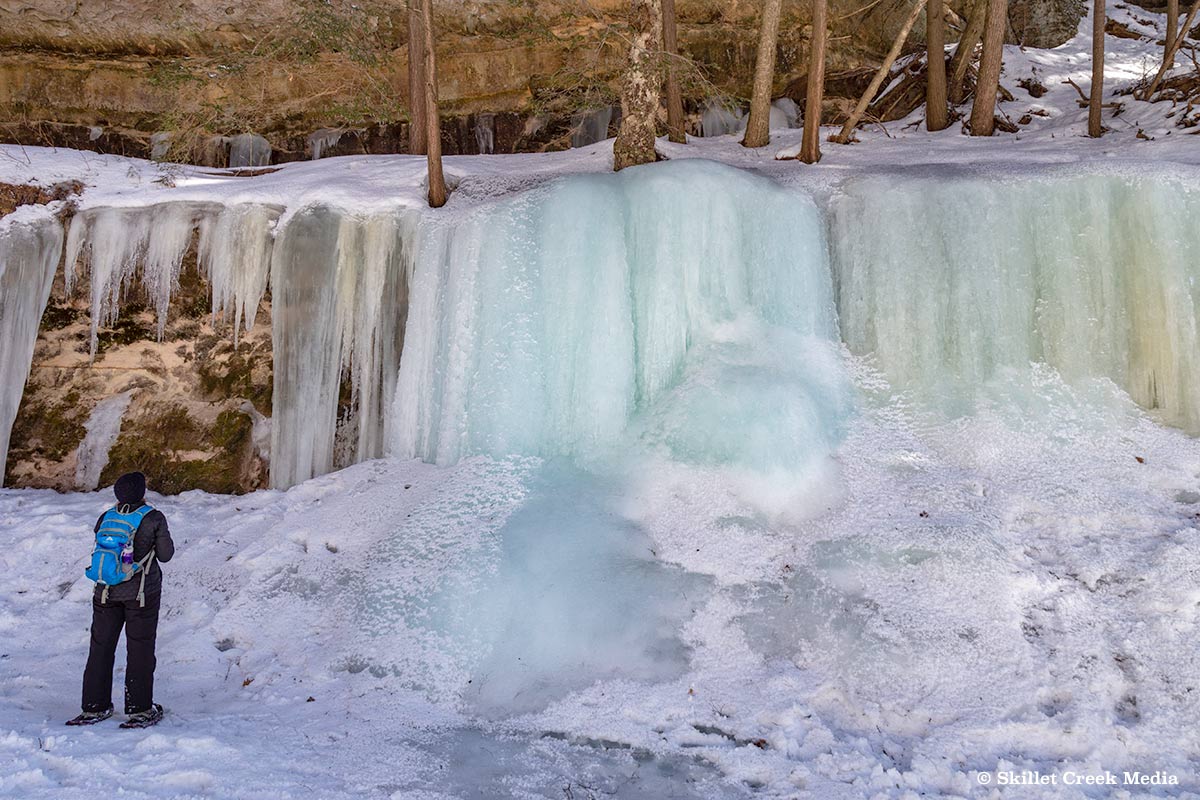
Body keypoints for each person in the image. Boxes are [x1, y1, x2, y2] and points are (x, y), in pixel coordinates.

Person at [67, 471, 175, 728]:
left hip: (105, 592)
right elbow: (166, 555)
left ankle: (94, 706)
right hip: (140, 595)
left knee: (100, 648)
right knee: (140, 648)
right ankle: (140, 709)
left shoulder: (106, 516)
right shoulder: (153, 518)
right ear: (142, 492)